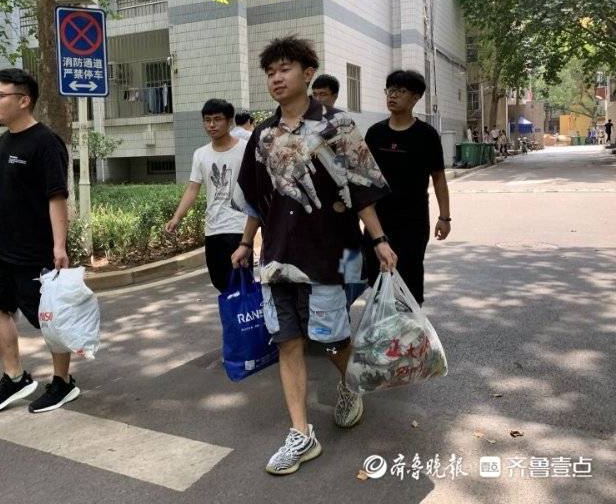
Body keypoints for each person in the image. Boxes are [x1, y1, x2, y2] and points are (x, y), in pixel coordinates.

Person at [230, 36, 396, 475]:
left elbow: (362, 188)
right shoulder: (263, 135)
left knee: (331, 339)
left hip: (329, 254)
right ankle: (301, 434)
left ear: (307, 74)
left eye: (284, 69)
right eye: (270, 72)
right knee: (287, 342)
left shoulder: (337, 125)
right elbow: (256, 201)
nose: (276, 78)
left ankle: (351, 384)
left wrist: (379, 240)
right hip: (278, 257)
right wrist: (246, 243)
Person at [0, 68, 76, 414]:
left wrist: (59, 246)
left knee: (50, 320)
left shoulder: (46, 143)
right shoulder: (4, 141)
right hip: (1, 249)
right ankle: (15, 377)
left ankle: (63, 382)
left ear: (23, 100)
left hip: (35, 251)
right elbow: (7, 193)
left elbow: (56, 196)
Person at [362, 70, 451, 307]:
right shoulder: (375, 133)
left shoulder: (426, 135)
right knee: (378, 281)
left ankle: (409, 327)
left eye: (400, 91)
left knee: (409, 281)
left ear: (416, 97)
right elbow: (364, 179)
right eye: (390, 90)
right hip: (378, 221)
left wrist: (444, 217)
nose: (392, 95)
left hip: (413, 222)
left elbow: (439, 178)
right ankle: (383, 326)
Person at [166, 99, 248, 292]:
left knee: (241, 284)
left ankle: (243, 313)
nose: (212, 125)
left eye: (217, 119)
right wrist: (177, 217)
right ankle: (230, 312)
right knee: (219, 282)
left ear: (229, 122)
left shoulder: (245, 148)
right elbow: (192, 188)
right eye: (207, 120)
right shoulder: (200, 154)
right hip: (213, 228)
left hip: (239, 227)